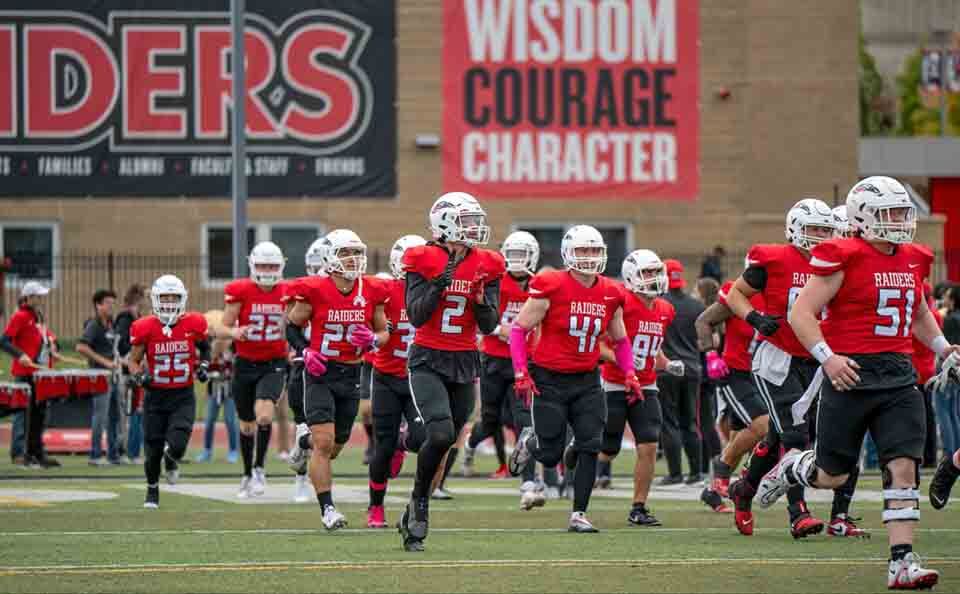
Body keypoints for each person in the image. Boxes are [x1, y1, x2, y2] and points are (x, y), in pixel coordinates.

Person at [759, 176, 955, 588]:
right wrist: (828, 360)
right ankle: (793, 467)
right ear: (864, 218)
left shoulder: (914, 257)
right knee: (832, 475)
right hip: (850, 373)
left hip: (899, 376)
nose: (901, 221)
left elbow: (918, 312)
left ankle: (902, 560)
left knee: (903, 466)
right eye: (891, 213)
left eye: (904, 212)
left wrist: (942, 347)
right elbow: (801, 314)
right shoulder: (842, 255)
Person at [509, 224, 642, 533]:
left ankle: (579, 513)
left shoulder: (611, 291)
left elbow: (620, 339)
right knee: (552, 452)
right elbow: (518, 329)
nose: (589, 257)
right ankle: (531, 442)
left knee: (590, 445)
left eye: (595, 251)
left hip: (587, 380)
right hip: (549, 378)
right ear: (569, 252)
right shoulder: (550, 284)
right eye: (583, 250)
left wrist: (630, 373)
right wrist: (521, 371)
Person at [724, 198, 836, 539]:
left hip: (815, 359)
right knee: (795, 435)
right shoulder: (772, 259)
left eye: (824, 231)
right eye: (813, 229)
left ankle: (745, 488)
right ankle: (797, 512)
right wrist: (754, 316)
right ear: (795, 229)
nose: (819, 237)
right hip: (777, 358)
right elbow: (735, 295)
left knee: (778, 439)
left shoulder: (836, 263)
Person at [397, 192, 503, 552]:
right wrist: (440, 284)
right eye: (467, 220)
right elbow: (415, 315)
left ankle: (414, 505)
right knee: (439, 434)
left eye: (476, 220)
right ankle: (419, 502)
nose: (474, 227)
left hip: (464, 361)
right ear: (445, 222)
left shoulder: (489, 263)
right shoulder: (422, 257)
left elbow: (490, 326)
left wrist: (480, 301)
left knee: (449, 438)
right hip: (428, 357)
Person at [287, 229, 389, 531]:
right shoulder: (315, 289)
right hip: (320, 373)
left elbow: (384, 334)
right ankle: (328, 509)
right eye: (346, 252)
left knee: (334, 447)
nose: (353, 259)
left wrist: (372, 339)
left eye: (357, 252)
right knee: (324, 442)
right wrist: (305, 352)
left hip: (352, 373)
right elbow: (291, 327)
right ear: (330, 257)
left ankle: (302, 442)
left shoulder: (371, 290)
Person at [599, 249, 684, 526]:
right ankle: (579, 451)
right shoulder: (622, 303)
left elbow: (653, 353)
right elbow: (599, 344)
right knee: (608, 449)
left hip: (647, 385)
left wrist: (668, 365)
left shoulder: (665, 309)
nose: (654, 278)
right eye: (648, 272)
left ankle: (639, 507)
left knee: (648, 443)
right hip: (614, 382)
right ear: (632, 275)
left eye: (657, 272)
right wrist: (622, 360)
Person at [466, 230, 544, 510]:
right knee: (489, 420)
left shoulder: (540, 286)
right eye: (511, 255)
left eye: (521, 255)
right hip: (494, 359)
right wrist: (506, 332)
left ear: (533, 255)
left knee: (525, 422)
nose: (516, 261)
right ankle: (470, 443)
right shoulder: (496, 282)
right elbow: (483, 319)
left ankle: (528, 481)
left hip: (523, 363)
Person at [129, 275, 211, 508]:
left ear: (182, 298)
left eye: (173, 297)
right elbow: (133, 361)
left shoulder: (193, 323)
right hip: (155, 395)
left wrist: (203, 366)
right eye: (164, 297)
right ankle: (152, 491)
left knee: (178, 441)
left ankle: (172, 460)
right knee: (152, 448)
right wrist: (139, 376)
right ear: (155, 299)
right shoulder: (144, 327)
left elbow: (205, 349)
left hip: (182, 394)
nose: (168, 302)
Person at [366, 235, 428, 527]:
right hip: (387, 377)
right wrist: (376, 327)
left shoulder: (432, 292)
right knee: (382, 447)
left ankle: (404, 443)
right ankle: (375, 507)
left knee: (420, 438)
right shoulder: (384, 290)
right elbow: (365, 319)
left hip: (418, 378)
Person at [220, 241, 289, 498]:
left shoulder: (288, 291)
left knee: (264, 416)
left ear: (281, 265)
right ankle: (247, 472)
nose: (268, 270)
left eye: (272, 265)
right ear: (253, 265)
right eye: (263, 265)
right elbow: (222, 327)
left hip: (274, 363)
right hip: (245, 362)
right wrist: (235, 331)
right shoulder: (241, 291)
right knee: (247, 424)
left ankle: (260, 469)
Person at [695, 279, 769, 518]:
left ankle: (712, 491)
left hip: (762, 375)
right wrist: (710, 356)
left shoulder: (782, 295)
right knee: (762, 426)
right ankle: (723, 467)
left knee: (739, 438)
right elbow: (703, 321)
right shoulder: (738, 293)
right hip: (734, 373)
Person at [284, 236, 329, 504]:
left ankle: (302, 453)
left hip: (338, 365)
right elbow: (291, 324)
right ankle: (302, 479)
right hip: (307, 362)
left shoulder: (349, 288)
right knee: (306, 423)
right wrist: (302, 349)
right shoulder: (302, 288)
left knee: (329, 436)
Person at [657, 259, 705, 485]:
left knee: (669, 423)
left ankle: (675, 473)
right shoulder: (696, 306)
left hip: (666, 369)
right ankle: (696, 472)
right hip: (692, 369)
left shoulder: (658, 304)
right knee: (690, 422)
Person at [0, 282, 59, 468]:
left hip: (40, 373)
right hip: (25, 373)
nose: (40, 299)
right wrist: (20, 355)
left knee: (39, 415)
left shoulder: (37, 316)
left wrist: (53, 345)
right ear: (28, 298)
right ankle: (19, 454)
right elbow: (4, 341)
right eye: (36, 296)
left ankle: (36, 452)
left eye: (40, 296)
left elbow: (45, 335)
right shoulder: (20, 316)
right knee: (22, 414)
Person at [77, 289, 122, 466]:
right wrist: (104, 362)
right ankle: (95, 455)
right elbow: (81, 347)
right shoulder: (93, 325)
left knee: (114, 416)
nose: (111, 307)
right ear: (98, 305)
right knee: (100, 416)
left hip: (113, 376)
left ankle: (113, 455)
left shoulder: (110, 324)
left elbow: (112, 348)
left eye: (112, 303)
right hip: (100, 376)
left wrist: (119, 361)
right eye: (108, 303)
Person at [195, 310, 240, 464]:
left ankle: (234, 450)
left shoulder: (233, 347)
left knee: (230, 420)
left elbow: (235, 367)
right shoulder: (209, 349)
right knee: (209, 421)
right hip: (214, 388)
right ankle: (207, 450)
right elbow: (205, 366)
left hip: (229, 389)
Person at [114, 284, 146, 464]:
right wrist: (133, 357)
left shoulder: (136, 317)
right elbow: (122, 344)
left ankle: (133, 451)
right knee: (127, 413)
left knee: (135, 411)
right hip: (127, 371)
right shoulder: (125, 318)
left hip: (135, 369)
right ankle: (124, 451)